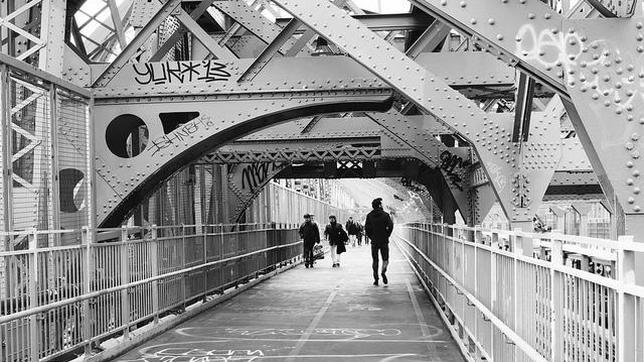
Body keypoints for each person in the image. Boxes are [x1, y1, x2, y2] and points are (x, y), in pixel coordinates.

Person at [365, 198, 393, 286]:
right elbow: (391, 226)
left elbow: (367, 228)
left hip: (374, 241)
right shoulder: (385, 215)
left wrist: (371, 237)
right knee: (385, 259)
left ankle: (376, 279)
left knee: (375, 260)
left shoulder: (369, 215)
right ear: (380, 205)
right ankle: (383, 272)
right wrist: (387, 235)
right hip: (384, 240)